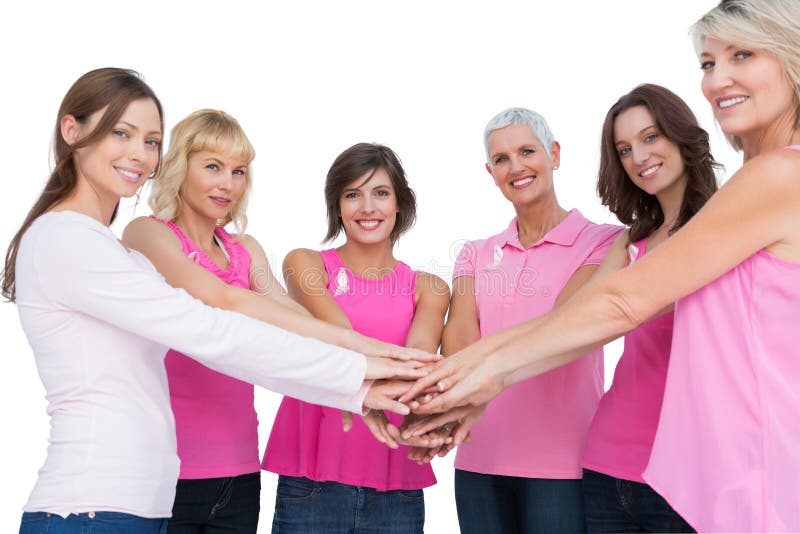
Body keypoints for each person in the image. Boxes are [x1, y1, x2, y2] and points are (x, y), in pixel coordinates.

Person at [402, 0, 800, 531]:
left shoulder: (780, 176)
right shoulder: (742, 189)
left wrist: (463, 381)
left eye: (742, 55)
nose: (717, 79)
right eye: (707, 64)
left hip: (755, 472)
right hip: (693, 470)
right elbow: (571, 321)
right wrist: (470, 390)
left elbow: (620, 302)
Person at [2, 68, 431, 534]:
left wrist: (356, 384)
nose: (139, 154)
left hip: (139, 501)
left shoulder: (111, 250)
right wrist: (364, 364)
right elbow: (217, 327)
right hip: (92, 508)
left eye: (150, 141)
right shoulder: (74, 241)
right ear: (72, 131)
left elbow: (250, 348)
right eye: (120, 133)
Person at [428, 108, 621, 534]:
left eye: (527, 151)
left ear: (553, 153)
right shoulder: (474, 253)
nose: (516, 167)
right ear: (490, 171)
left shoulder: (604, 242)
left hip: (561, 462)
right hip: (478, 456)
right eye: (501, 159)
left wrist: (476, 371)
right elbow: (459, 332)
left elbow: (562, 326)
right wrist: (448, 403)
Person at [120, 109, 308, 532]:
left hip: (239, 472)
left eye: (238, 171)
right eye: (213, 167)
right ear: (179, 168)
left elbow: (285, 313)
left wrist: (370, 353)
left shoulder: (245, 250)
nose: (228, 183)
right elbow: (222, 300)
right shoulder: (148, 235)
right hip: (167, 474)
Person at [262, 142, 450, 533]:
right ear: (337, 205)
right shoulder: (307, 264)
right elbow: (340, 338)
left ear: (400, 204)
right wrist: (388, 376)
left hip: (396, 486)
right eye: (353, 194)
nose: (368, 207)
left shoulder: (429, 288)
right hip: (312, 482)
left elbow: (416, 358)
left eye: (380, 193)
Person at [578, 84, 717, 533]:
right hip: (606, 465)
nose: (639, 157)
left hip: (687, 475)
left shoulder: (725, 228)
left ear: (681, 136)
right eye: (624, 148)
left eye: (651, 137)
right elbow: (578, 323)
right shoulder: (632, 241)